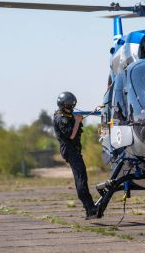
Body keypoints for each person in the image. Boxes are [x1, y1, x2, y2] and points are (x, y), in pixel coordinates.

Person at [53, 91, 98, 220]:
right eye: (68, 105)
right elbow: (71, 136)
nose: (71, 108)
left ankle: (90, 210)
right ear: (62, 105)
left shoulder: (66, 114)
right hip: (70, 150)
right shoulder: (61, 118)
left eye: (72, 105)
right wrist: (77, 121)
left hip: (74, 150)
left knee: (82, 176)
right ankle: (90, 208)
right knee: (81, 178)